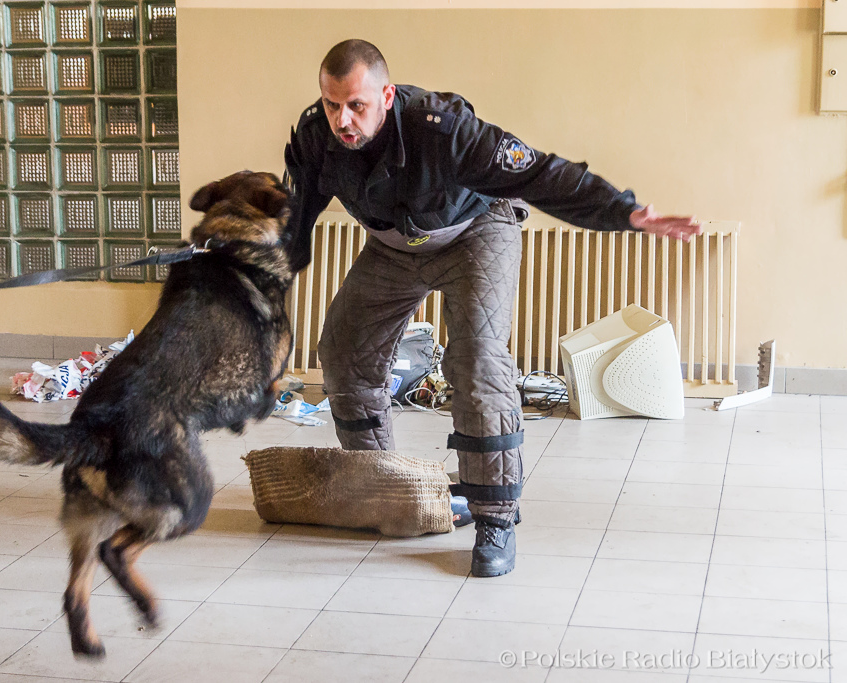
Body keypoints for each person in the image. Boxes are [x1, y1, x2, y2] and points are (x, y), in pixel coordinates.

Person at [283, 39, 700, 577]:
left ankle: (495, 520)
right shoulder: (316, 135)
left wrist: (624, 212)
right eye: (332, 103)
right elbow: (294, 221)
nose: (343, 119)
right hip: (394, 247)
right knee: (342, 349)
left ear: (387, 95)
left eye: (356, 105)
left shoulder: (441, 127)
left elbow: (539, 173)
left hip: (477, 230)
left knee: (477, 361)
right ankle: (384, 489)